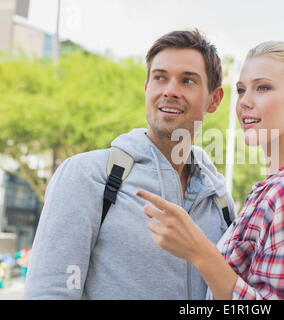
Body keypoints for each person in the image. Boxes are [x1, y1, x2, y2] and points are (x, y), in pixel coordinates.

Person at [23, 29, 235, 299]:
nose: (170, 91)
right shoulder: (87, 175)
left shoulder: (221, 201)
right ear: (147, 89)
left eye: (187, 81)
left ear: (214, 99)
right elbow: (49, 292)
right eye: (160, 78)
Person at [137, 41, 284, 300]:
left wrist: (199, 252)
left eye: (263, 88)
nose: (244, 102)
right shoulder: (273, 189)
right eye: (242, 90)